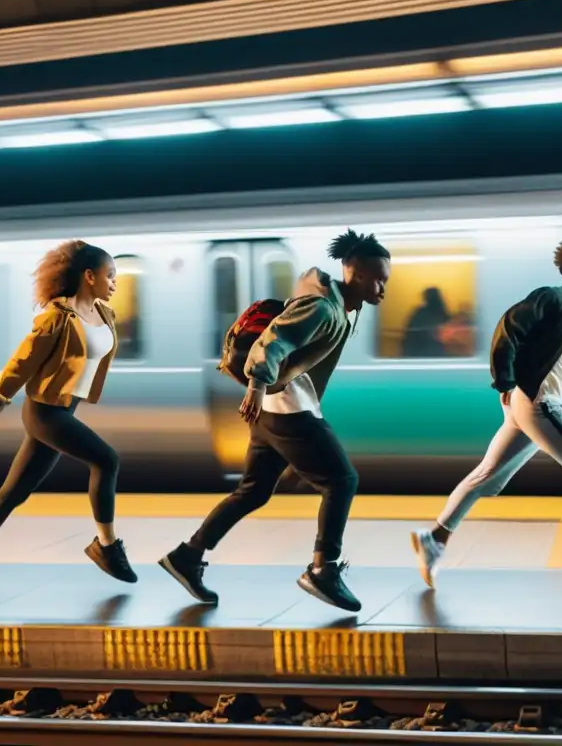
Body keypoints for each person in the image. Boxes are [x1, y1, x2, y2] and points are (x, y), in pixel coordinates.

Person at [159, 229, 391, 611]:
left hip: (273, 411)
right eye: (379, 279)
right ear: (358, 274)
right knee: (342, 480)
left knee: (253, 491)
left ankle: (187, 556)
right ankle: (323, 570)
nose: (383, 288)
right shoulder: (322, 307)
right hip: (287, 410)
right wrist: (256, 384)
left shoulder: (339, 305)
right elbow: (274, 340)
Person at [410, 226, 562, 593]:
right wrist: (505, 382)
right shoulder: (554, 298)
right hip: (540, 403)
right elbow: (507, 329)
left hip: (532, 404)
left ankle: (434, 539)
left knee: (489, 477)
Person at [0, 240, 135, 598]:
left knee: (13, 493)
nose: (115, 282)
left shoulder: (104, 314)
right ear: (89, 277)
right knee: (107, 460)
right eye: (110, 275)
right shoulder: (55, 319)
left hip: (65, 409)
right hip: (44, 413)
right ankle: (106, 546)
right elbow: (19, 366)